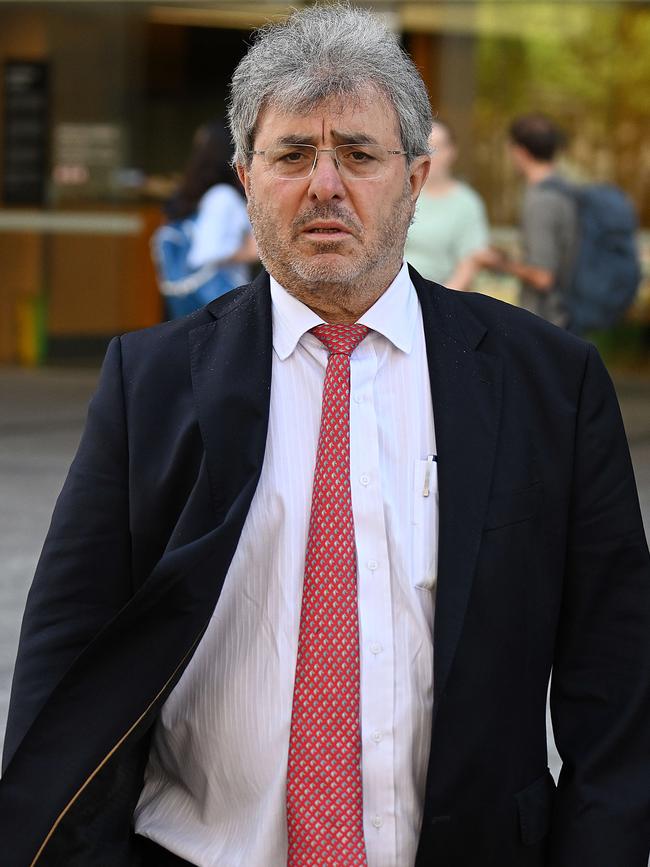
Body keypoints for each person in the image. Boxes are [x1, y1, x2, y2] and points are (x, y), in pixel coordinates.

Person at [1, 6, 649, 867]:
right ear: (245, 175)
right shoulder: (150, 381)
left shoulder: (547, 383)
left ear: (416, 180)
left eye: (359, 153)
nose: (325, 184)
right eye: (293, 153)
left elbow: (617, 677)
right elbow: (63, 652)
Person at [475, 113, 578, 327]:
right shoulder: (563, 189)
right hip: (567, 313)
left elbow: (543, 276)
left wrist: (498, 263)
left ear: (520, 152)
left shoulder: (541, 200)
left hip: (551, 320)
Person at [153, 120, 257, 318]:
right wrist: (255, 249)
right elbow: (207, 252)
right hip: (220, 302)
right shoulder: (222, 197)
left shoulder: (201, 196)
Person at [405, 121, 489, 290]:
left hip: (441, 298)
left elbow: (471, 261)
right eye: (424, 147)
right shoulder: (401, 194)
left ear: (452, 152)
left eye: (438, 147)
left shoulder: (467, 203)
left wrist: (439, 305)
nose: (431, 154)